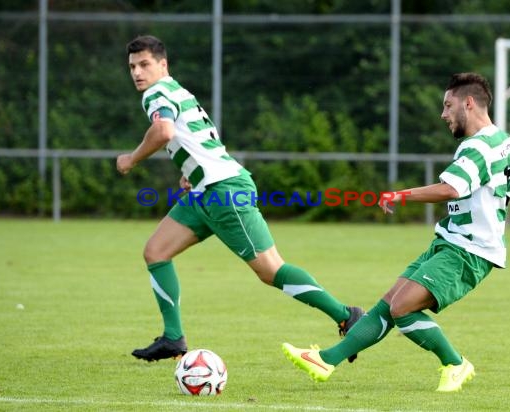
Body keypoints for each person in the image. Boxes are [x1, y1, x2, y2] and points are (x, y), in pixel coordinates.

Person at [116, 35, 363, 362]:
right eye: (132, 66)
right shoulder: (178, 91)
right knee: (156, 251)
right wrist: (193, 170)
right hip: (205, 192)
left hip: (225, 192)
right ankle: (173, 338)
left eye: (144, 64)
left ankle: (347, 316)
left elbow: (163, 132)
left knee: (271, 271)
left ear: (163, 64)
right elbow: (204, 138)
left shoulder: (157, 92)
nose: (137, 72)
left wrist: (131, 159)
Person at [281, 72, 510, 392]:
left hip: (469, 252)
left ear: (468, 103)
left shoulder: (477, 148)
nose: (443, 114)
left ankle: (455, 363)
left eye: (448, 105)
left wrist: (400, 194)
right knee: (389, 302)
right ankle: (326, 360)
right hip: (450, 242)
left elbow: (451, 189)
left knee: (402, 308)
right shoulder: (504, 141)